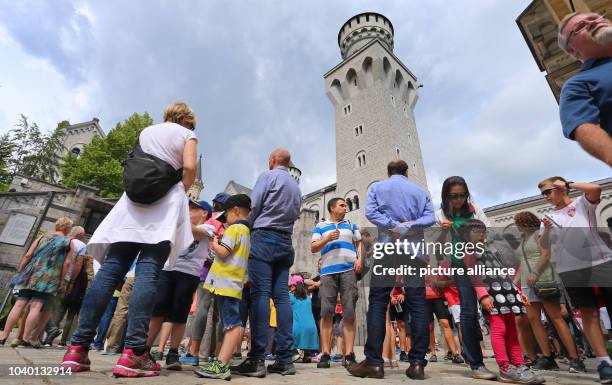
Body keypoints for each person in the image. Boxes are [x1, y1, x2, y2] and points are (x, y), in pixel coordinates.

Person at [61, 101, 198, 377]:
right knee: (148, 274)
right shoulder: (186, 135)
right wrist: (179, 190)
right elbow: (190, 167)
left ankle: (77, 349)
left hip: (132, 207)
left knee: (111, 270)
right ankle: (134, 353)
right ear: (186, 120)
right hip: (162, 209)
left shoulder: (147, 131)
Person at [349, 160, 434, 380]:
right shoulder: (420, 191)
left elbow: (370, 213)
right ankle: (417, 364)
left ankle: (374, 363)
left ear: (389, 173)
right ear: (407, 172)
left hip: (388, 248)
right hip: (414, 251)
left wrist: (394, 226)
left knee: (378, 301)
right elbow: (430, 218)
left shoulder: (378, 187)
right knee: (417, 303)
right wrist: (408, 226)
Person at [231, 148, 301, 378]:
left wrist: (244, 226)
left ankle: (257, 359)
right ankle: (284, 359)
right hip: (285, 241)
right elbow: (296, 213)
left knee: (260, 294)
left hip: (264, 237)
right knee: (281, 297)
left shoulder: (267, 176)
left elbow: (255, 206)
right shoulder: (295, 186)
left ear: (272, 161)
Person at [538, 177, 612, 383]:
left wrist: (569, 185)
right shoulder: (548, 216)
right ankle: (604, 362)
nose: (546, 197)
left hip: (601, 262)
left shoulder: (581, 203)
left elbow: (596, 188)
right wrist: (547, 231)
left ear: (561, 188)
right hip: (571, 269)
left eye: (548, 191)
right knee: (589, 313)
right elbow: (544, 246)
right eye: (543, 194)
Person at [460, 220, 544, 385]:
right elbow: (473, 274)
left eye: (483, 231)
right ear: (466, 235)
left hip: (507, 293)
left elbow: (502, 273)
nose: (482, 234)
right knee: (500, 330)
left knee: (512, 330)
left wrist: (517, 292)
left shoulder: (489, 248)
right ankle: (505, 367)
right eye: (477, 231)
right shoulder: (469, 251)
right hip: (492, 295)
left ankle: (519, 365)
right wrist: (483, 295)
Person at [434, 176, 497, 380]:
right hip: (461, 266)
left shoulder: (474, 210)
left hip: (483, 263)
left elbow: (489, 233)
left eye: (462, 195)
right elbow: (438, 249)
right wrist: (443, 233)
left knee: (497, 308)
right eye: (453, 196)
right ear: (446, 196)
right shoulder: (440, 215)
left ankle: (509, 359)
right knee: (468, 313)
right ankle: (476, 364)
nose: (459, 199)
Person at [514, 211, 585, 373]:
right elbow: (521, 263)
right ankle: (547, 357)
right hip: (527, 283)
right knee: (533, 318)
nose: (517, 226)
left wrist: (535, 272)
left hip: (544, 279)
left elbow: (546, 254)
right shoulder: (522, 239)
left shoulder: (539, 234)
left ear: (525, 223)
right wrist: (513, 284)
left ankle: (575, 358)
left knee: (556, 318)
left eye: (518, 222)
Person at [147, 199, 214, 370]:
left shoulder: (208, 228)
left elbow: (195, 234)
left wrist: (177, 217)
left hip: (189, 274)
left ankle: (173, 352)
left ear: (204, 213)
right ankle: (144, 350)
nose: (189, 211)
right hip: (168, 269)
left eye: (193, 209)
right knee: (157, 310)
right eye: (188, 208)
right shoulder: (179, 224)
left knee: (179, 313)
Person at [194, 194, 251, 380]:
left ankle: (222, 364)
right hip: (232, 283)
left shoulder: (234, 229)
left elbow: (223, 252)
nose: (225, 220)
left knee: (232, 325)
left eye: (225, 215)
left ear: (235, 210)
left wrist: (215, 242)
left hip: (226, 283)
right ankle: (220, 361)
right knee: (231, 323)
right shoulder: (245, 231)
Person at [0, 217, 74, 347]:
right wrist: (61, 280)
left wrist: (21, 270)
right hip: (49, 278)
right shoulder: (68, 242)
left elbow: (29, 255)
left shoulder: (42, 237)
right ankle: (26, 338)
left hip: (31, 274)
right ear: (67, 228)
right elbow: (67, 263)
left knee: (19, 304)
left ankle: (3, 335)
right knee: (36, 306)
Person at [310, 197, 362, 368]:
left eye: (346, 205)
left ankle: (349, 354)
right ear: (332, 208)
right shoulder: (321, 226)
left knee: (349, 312)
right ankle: (325, 353)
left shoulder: (351, 224)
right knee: (326, 313)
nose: (345, 207)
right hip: (328, 272)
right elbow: (313, 247)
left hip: (348, 270)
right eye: (342, 205)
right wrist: (327, 239)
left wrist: (359, 258)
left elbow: (359, 242)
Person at [557, 12, 612, 166]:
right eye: (580, 26)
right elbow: (584, 126)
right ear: (572, 50)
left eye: (595, 18)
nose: (592, 23)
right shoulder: (577, 84)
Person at [181, 193, 227, 365]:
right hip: (223, 270)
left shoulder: (209, 222)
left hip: (206, 270)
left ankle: (194, 352)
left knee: (202, 309)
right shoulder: (228, 222)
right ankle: (215, 353)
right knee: (220, 315)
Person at [43, 226, 87, 347]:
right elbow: (77, 264)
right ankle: (63, 341)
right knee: (69, 313)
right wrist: (72, 282)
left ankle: (47, 339)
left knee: (55, 309)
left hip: (52, 275)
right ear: (79, 234)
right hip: (67, 278)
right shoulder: (81, 245)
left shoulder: (62, 240)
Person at [289, 275, 319, 362]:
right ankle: (307, 355)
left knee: (286, 328)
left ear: (294, 286)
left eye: (291, 285)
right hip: (312, 328)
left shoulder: (290, 296)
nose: (290, 287)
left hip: (298, 328)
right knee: (304, 327)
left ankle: (294, 353)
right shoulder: (308, 298)